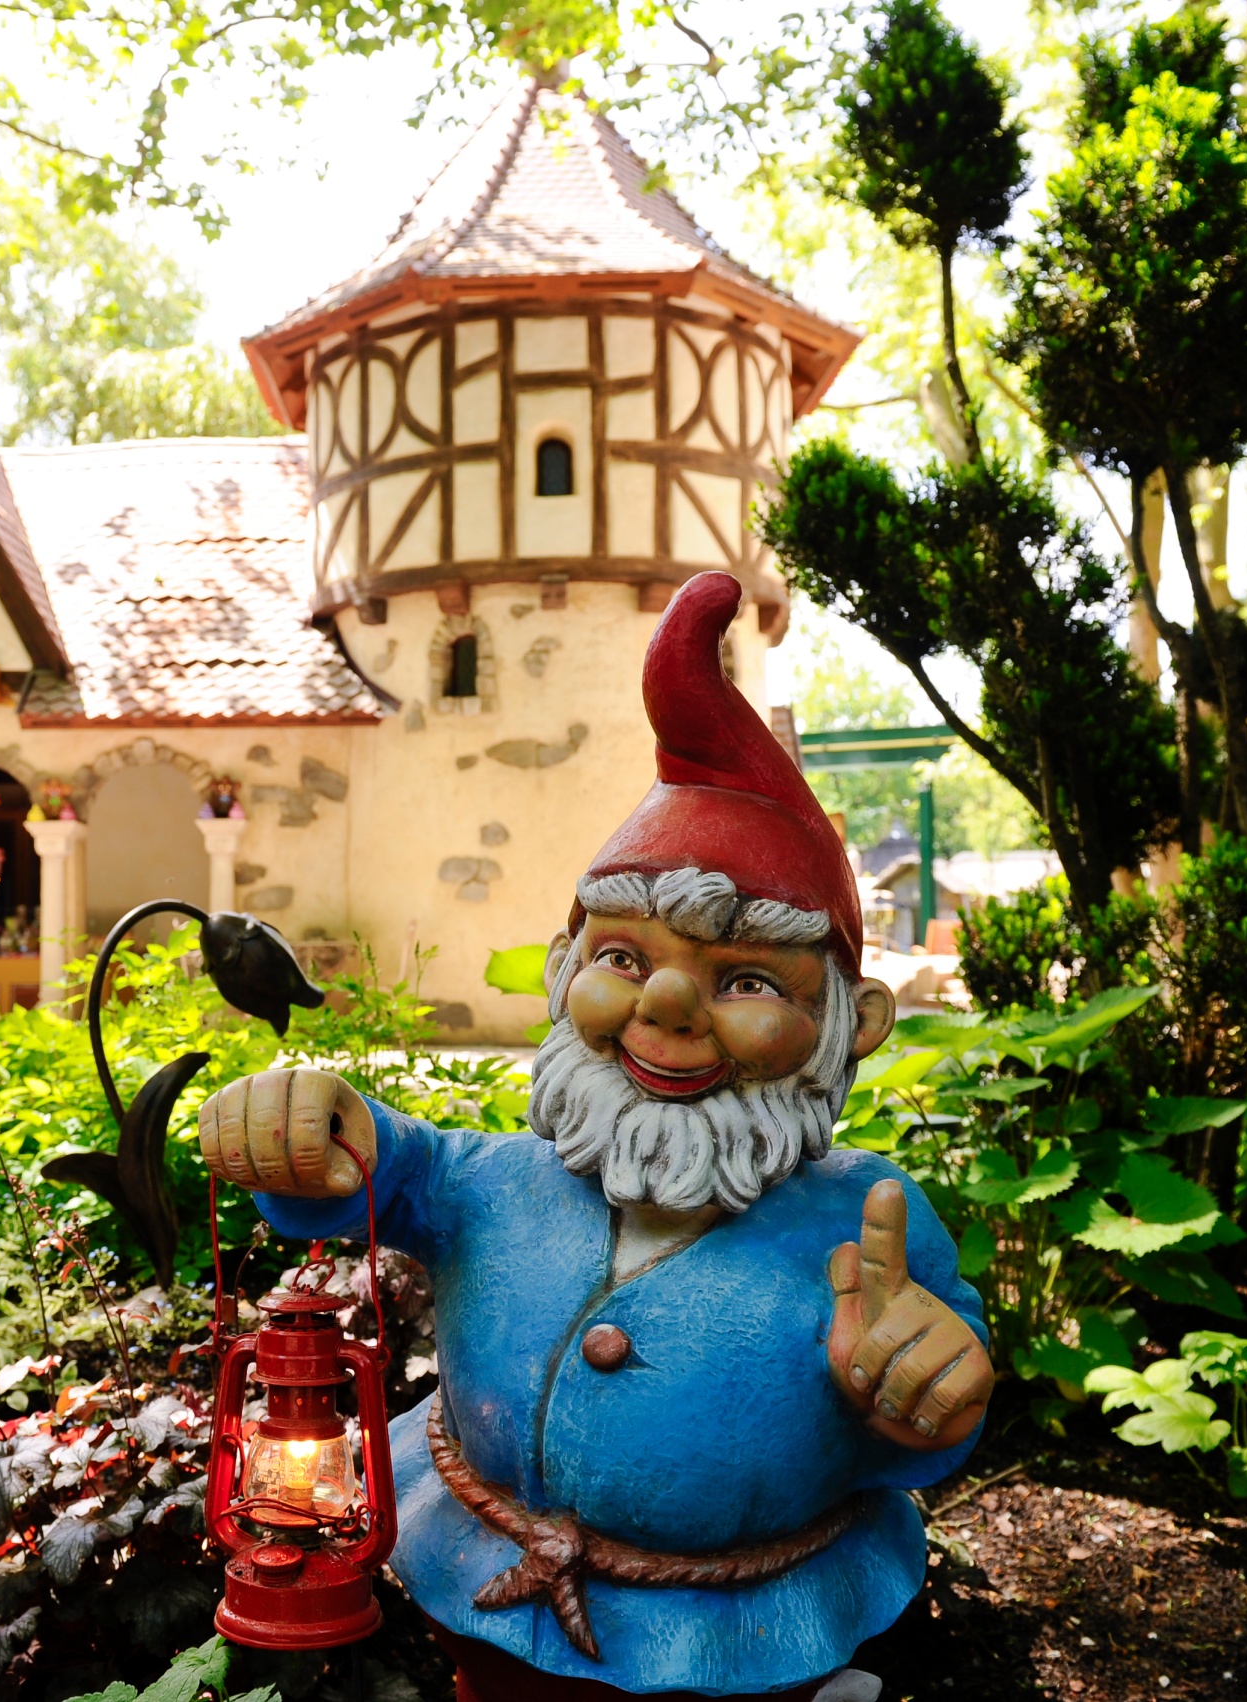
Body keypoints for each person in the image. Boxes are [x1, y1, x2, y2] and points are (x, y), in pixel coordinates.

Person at [197, 574, 989, 1702]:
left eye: (747, 980)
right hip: (490, 1590)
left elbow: (933, 1391)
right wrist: (313, 1125)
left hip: (741, 1627)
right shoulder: (491, 1180)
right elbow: (375, 1163)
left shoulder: (865, 1221)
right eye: (623, 959)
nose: (665, 1006)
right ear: (565, 970)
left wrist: (927, 1392)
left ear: (850, 1024)